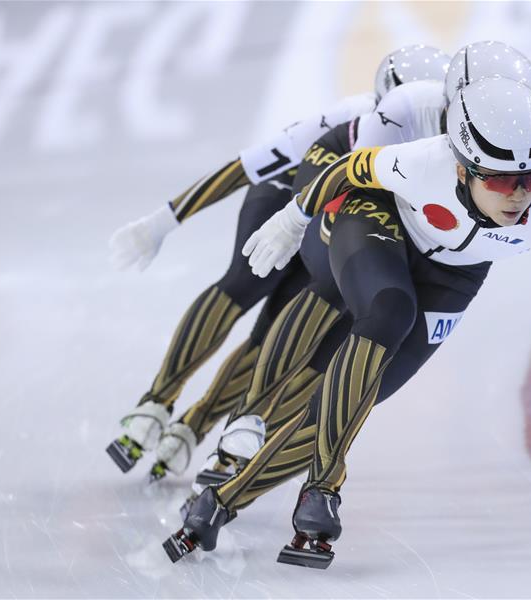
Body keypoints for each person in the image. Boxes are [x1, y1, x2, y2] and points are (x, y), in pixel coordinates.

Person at [163, 76, 531, 567]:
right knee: (392, 309)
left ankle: (219, 502)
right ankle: (323, 485)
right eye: (500, 179)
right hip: (380, 221)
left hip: (454, 278)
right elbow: (349, 167)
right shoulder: (425, 162)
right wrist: (294, 219)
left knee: (359, 396)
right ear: (462, 169)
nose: (518, 194)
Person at [105, 45, 452, 480]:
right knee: (246, 280)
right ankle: (157, 401)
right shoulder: (350, 117)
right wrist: (162, 221)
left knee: (279, 329)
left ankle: (198, 427)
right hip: (288, 198)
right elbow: (246, 166)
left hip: (337, 225)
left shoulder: (439, 152)